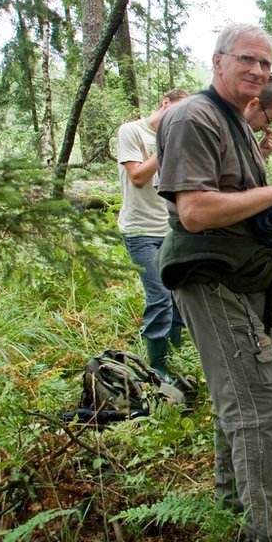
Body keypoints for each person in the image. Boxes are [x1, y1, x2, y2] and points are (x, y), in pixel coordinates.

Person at [155, 22, 272, 542]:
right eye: (247, 60)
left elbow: (239, 197)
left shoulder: (233, 120)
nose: (258, 71)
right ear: (217, 62)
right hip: (212, 282)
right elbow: (195, 209)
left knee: (236, 398)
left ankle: (235, 504)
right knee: (258, 406)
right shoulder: (194, 117)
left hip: (239, 280)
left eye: (266, 64)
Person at [116, 89, 189, 380]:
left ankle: (175, 357)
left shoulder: (180, 140)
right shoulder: (131, 131)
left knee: (177, 295)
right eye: (176, 113)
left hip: (170, 229)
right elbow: (137, 177)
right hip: (140, 230)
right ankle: (157, 367)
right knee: (159, 295)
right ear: (165, 103)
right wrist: (167, 146)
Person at [241, 72, 272, 160]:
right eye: (268, 120)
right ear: (253, 104)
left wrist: (260, 154)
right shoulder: (220, 130)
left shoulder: (242, 138)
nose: (265, 128)